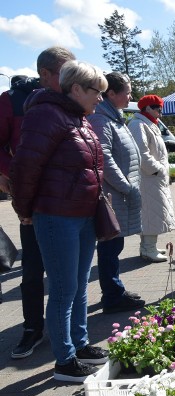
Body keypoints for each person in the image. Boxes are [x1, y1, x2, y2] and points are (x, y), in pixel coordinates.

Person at [10, 60, 110, 382]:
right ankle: (64, 362)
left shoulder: (77, 117)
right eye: (97, 92)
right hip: (57, 217)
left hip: (81, 216)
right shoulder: (46, 114)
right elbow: (25, 167)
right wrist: (24, 210)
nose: (100, 99)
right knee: (64, 289)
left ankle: (79, 344)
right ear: (76, 89)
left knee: (79, 286)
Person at [0, 46, 75, 360]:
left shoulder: (74, 98)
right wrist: (9, 175)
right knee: (33, 268)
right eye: (64, 71)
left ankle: (72, 332)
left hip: (70, 198)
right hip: (34, 197)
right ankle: (33, 328)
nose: (72, 77)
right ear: (44, 73)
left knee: (73, 269)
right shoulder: (12, 101)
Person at [88, 72, 145, 314]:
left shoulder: (114, 117)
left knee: (114, 246)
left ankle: (114, 290)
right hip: (113, 195)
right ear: (111, 93)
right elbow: (106, 160)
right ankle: (112, 295)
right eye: (127, 91)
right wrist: (126, 186)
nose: (131, 96)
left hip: (118, 195)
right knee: (111, 246)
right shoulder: (102, 120)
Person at [127, 94, 175, 263]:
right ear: (147, 108)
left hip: (153, 178)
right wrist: (157, 170)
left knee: (154, 212)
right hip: (148, 178)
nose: (160, 112)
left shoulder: (148, 124)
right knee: (150, 212)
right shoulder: (138, 124)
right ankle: (148, 248)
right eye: (157, 108)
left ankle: (149, 246)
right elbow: (141, 153)